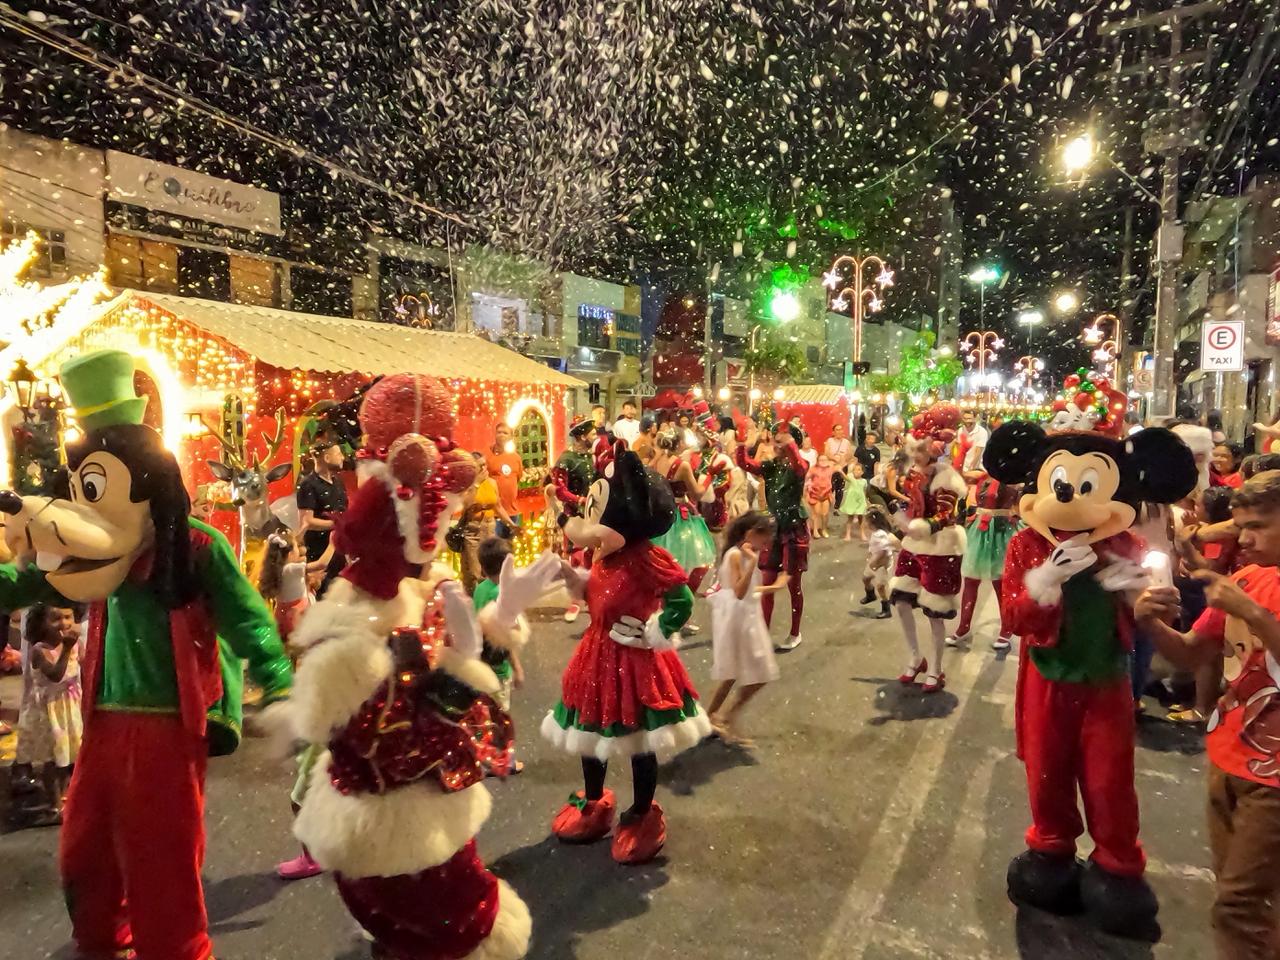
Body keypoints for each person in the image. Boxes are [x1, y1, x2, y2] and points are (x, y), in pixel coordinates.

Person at [1135, 471, 1280, 958]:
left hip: (1274, 778)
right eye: (1240, 526)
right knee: (1245, 898)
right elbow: (1190, 654)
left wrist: (1256, 614)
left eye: (1258, 525)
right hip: (1227, 755)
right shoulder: (1242, 579)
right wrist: (1149, 619)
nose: (1244, 538)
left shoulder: (1243, 590)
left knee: (1238, 908)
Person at [544, 442, 709, 865]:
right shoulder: (604, 554)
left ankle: (641, 812)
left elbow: (682, 601)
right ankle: (595, 801)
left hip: (634, 660)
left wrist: (656, 631)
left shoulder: (645, 558)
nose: (587, 523)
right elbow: (594, 595)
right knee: (590, 734)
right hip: (595, 654)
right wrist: (573, 580)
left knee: (639, 740)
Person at [887, 404, 967, 692]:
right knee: (901, 599)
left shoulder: (946, 478)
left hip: (941, 547)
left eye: (920, 449)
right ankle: (915, 656)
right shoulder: (913, 475)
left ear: (933, 449)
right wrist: (901, 516)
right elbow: (912, 505)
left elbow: (946, 514)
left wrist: (921, 526)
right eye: (914, 449)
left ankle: (936, 667)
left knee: (935, 609)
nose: (915, 455)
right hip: (914, 543)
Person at [705, 512, 787, 746]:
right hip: (738, 619)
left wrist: (774, 587)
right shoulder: (734, 555)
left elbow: (749, 591)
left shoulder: (746, 552)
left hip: (748, 616)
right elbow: (739, 592)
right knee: (739, 672)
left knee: (751, 673)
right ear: (750, 533)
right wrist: (752, 562)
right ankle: (718, 718)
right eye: (765, 536)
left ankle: (717, 717)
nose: (767, 542)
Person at [737, 422, 809, 651]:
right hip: (772, 530)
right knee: (767, 582)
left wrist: (791, 446)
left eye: (781, 441)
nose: (775, 445)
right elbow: (744, 463)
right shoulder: (771, 467)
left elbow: (799, 464)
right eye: (775, 440)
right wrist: (742, 443)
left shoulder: (800, 465)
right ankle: (762, 635)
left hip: (793, 530)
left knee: (793, 586)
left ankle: (795, 632)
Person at [10, 604, 82, 823]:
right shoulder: (39, 650)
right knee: (52, 760)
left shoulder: (74, 645)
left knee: (68, 756)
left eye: (68, 617)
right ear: (40, 624)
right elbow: (56, 675)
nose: (64, 623)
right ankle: (54, 804)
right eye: (56, 618)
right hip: (49, 714)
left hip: (69, 709)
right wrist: (68, 649)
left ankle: (65, 796)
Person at [948, 471, 1020, 651]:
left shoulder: (1015, 477)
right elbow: (959, 475)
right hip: (980, 530)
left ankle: (1006, 629)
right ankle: (963, 627)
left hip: (1001, 531)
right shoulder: (983, 475)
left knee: (1000, 584)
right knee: (971, 581)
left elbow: (1022, 504)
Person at [474, 536, 526, 775]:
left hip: (479, 663)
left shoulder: (480, 590)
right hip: (498, 665)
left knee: (482, 712)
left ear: (482, 567)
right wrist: (517, 668)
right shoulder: (502, 597)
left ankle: (481, 757)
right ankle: (503, 761)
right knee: (501, 716)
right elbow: (507, 639)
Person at [650, 431, 718, 599]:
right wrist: (710, 476)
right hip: (680, 517)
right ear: (679, 443)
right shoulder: (683, 465)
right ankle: (681, 605)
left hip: (660, 514)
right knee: (690, 561)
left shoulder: (657, 461)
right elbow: (697, 494)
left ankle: (663, 605)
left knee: (663, 562)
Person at [549, 418, 597, 623]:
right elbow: (560, 491)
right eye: (592, 434)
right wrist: (579, 500)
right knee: (576, 558)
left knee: (592, 556)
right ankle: (576, 601)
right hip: (573, 515)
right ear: (582, 436)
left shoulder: (590, 458)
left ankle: (592, 598)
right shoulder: (565, 460)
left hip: (592, 513)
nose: (595, 437)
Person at [296, 439, 348, 595]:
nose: (343, 458)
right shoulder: (308, 485)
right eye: (338, 454)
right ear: (326, 458)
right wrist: (336, 524)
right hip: (319, 548)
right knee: (323, 592)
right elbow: (307, 521)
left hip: (339, 548)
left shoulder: (338, 482)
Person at [460, 453, 515, 595]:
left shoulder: (491, 483)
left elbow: (498, 507)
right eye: (480, 465)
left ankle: (490, 601)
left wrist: (510, 524)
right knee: (474, 572)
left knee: (491, 568)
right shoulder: (468, 485)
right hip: (473, 529)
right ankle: (475, 603)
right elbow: (465, 505)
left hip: (489, 526)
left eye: (485, 464)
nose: (484, 468)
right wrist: (477, 483)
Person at [859, 506, 900, 619]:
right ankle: (870, 595)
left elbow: (883, 552)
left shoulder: (880, 535)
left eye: (866, 521)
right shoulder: (877, 533)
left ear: (872, 523)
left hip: (881, 564)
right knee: (865, 578)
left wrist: (874, 563)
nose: (864, 523)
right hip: (875, 561)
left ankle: (886, 608)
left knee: (881, 587)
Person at [486, 423, 525, 537]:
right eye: (499, 432)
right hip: (494, 514)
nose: (501, 435)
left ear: (511, 437)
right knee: (496, 550)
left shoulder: (516, 457)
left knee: (509, 550)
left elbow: (518, 478)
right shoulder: (488, 456)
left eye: (505, 432)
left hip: (512, 512)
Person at [805, 452, 836, 539]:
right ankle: (815, 530)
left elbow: (840, 466)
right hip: (815, 493)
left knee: (825, 514)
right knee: (816, 513)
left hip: (826, 493)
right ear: (817, 461)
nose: (823, 461)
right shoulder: (813, 469)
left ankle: (824, 529)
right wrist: (807, 490)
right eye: (821, 460)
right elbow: (806, 479)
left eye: (825, 459)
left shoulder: (831, 468)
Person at [839, 460, 869, 542]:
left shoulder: (864, 481)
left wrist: (866, 502)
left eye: (859, 469)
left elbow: (864, 492)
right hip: (851, 501)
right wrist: (841, 471)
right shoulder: (851, 478)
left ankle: (862, 534)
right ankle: (848, 534)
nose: (856, 471)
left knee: (861, 518)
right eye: (855, 469)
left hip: (861, 502)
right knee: (850, 518)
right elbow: (845, 477)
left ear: (862, 472)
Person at [954, 410, 989, 477]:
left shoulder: (982, 432)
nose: (967, 421)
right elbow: (959, 450)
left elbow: (978, 453)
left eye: (969, 418)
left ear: (975, 419)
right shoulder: (960, 430)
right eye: (965, 418)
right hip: (962, 468)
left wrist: (970, 470)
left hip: (976, 468)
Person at [825, 421, 853, 506]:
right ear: (833, 432)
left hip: (842, 467)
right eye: (837, 430)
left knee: (840, 487)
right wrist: (834, 458)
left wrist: (844, 458)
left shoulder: (846, 442)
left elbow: (850, 454)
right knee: (831, 486)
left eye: (841, 429)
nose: (839, 431)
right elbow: (827, 453)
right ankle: (828, 502)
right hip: (832, 467)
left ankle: (837, 505)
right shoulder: (829, 441)